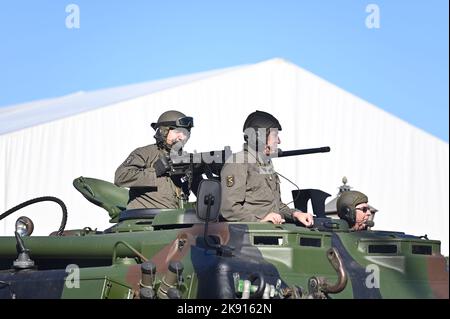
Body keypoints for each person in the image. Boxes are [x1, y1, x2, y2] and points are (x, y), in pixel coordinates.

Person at [220, 110, 314, 226]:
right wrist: (259, 221)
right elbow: (229, 208)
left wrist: (295, 214)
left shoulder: (265, 163)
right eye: (275, 136)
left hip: (270, 234)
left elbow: (276, 206)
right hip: (247, 237)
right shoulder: (238, 163)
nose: (279, 141)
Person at [115, 110, 194, 209]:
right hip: (145, 219)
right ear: (163, 131)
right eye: (178, 132)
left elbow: (203, 194)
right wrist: (155, 171)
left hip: (175, 219)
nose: (182, 137)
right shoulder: (145, 153)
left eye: (185, 133)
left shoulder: (185, 159)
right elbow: (120, 177)